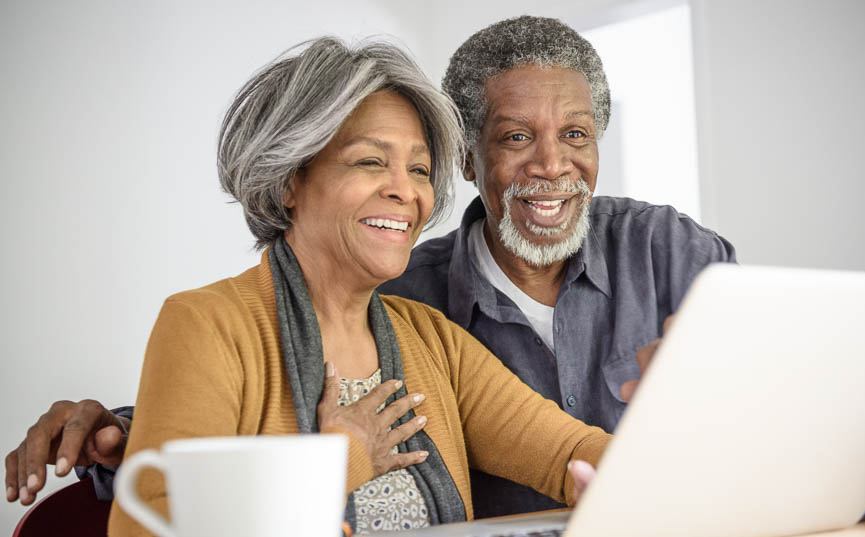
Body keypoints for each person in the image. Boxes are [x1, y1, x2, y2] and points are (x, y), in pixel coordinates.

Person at [6, 15, 734, 519]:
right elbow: (160, 516)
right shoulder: (206, 322)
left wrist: (678, 445)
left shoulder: (428, 335)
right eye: (369, 162)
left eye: (420, 169)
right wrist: (335, 462)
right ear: (289, 178)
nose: (408, 191)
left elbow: (572, 451)